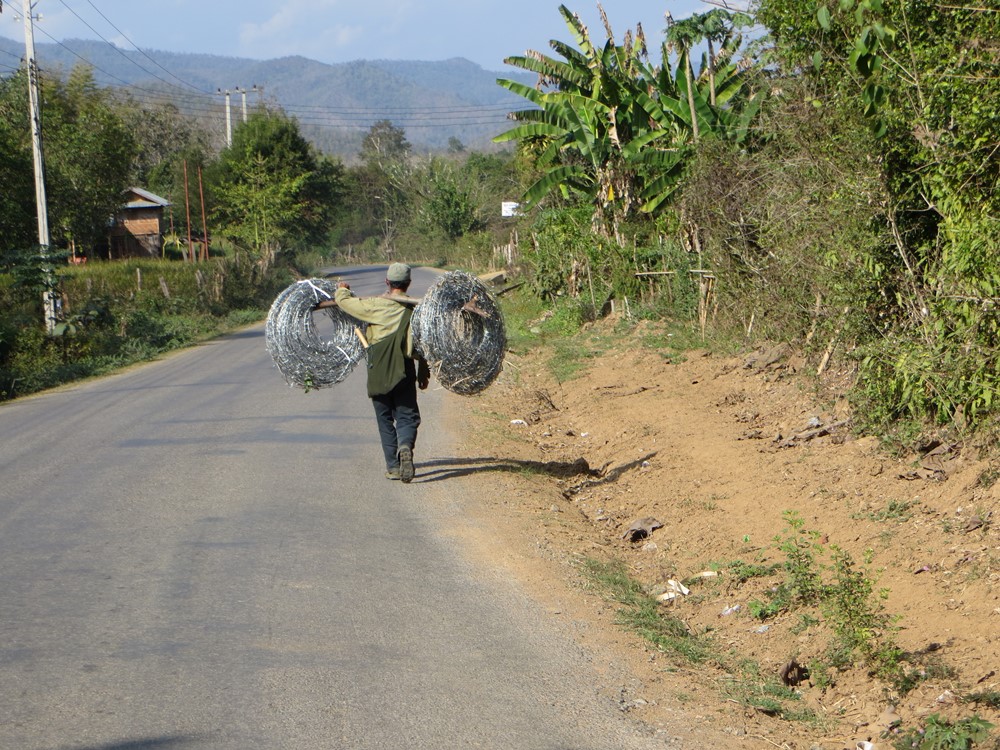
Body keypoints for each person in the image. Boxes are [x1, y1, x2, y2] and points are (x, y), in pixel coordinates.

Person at [331, 263, 429, 483]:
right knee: (407, 416)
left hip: (378, 370)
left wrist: (342, 289)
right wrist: (423, 371)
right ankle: (405, 444)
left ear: (387, 282)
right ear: (408, 283)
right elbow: (423, 345)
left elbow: (345, 303)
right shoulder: (416, 309)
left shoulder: (375, 305)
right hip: (404, 368)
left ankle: (393, 467)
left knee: (385, 419)